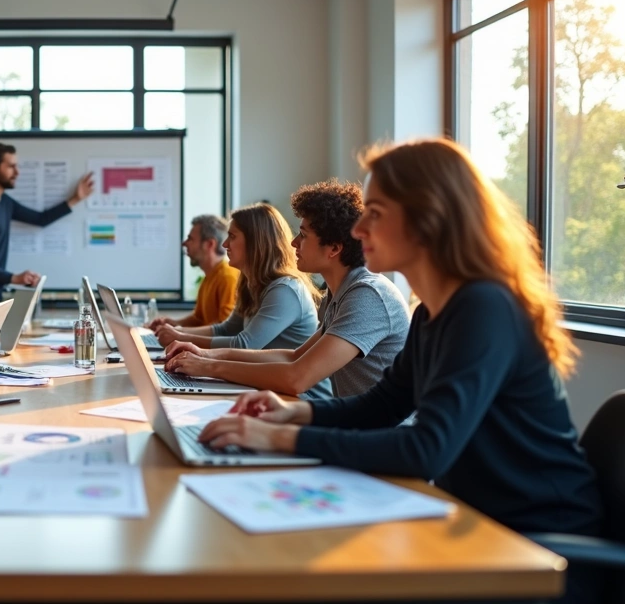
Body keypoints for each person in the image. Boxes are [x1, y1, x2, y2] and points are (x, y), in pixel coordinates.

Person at [197, 140, 601, 603]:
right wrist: (295, 415)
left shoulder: (484, 308)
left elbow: (427, 449)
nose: (359, 227)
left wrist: (279, 438)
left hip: (540, 552)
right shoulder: (432, 312)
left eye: (375, 213)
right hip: (477, 526)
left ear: (428, 219)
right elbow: (383, 405)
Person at [164, 180, 409, 398]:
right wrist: (206, 355)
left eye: (303, 235)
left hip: (381, 432)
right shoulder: (338, 294)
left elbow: (296, 378)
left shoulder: (366, 295)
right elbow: (293, 356)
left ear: (334, 248)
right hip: (353, 424)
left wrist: (209, 366)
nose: (293, 242)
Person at [152, 203, 330, 397]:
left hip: (300, 397)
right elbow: (226, 329)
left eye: (232, 236)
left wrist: (183, 338)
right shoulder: (250, 283)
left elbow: (244, 345)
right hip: (264, 387)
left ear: (255, 241)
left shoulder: (285, 290)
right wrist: (179, 334)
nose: (224, 244)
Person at [0, 142, 95, 323]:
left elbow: (40, 219)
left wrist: (76, 198)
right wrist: (13, 278)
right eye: (11, 166)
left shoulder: (5, 202)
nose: (17, 172)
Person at [147, 214, 238, 331]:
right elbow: (199, 319)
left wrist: (178, 332)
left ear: (210, 244)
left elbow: (225, 328)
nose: (184, 243)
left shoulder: (228, 277)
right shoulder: (209, 276)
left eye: (190, 239)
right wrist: (173, 323)